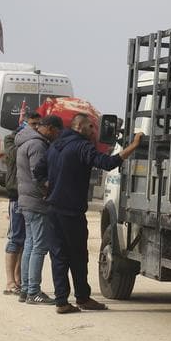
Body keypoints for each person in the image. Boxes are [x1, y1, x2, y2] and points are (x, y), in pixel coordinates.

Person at [41, 113, 143, 314]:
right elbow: (107, 163)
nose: (94, 131)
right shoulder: (82, 146)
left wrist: (51, 190)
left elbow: (38, 171)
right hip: (71, 212)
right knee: (78, 256)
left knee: (59, 256)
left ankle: (61, 301)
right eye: (91, 127)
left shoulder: (55, 146)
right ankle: (83, 298)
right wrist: (133, 146)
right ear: (80, 127)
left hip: (52, 210)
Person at [17, 115, 61, 305]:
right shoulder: (37, 145)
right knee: (39, 247)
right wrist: (49, 193)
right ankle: (33, 291)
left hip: (26, 199)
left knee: (30, 244)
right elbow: (39, 175)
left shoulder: (25, 141)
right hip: (36, 201)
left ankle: (26, 290)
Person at [2, 113, 39, 297]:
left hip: (31, 196)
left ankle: (19, 278)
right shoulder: (11, 139)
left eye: (38, 124)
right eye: (32, 124)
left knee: (28, 239)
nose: (35, 127)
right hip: (16, 195)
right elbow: (13, 156)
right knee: (15, 238)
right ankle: (10, 281)